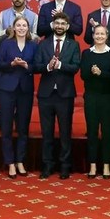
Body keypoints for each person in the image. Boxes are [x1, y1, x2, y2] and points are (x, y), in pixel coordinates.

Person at [33, 12, 80, 179]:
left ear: (67, 26)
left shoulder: (73, 45)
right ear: (53, 25)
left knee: (65, 133)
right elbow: (36, 66)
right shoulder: (43, 44)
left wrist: (60, 65)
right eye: (57, 23)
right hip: (46, 95)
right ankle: (47, 165)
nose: (59, 26)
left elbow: (75, 67)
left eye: (63, 24)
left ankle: (65, 166)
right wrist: (47, 67)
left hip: (65, 95)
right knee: (47, 133)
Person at [0, 17, 37, 179]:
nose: (21, 28)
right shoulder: (6, 44)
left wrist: (27, 66)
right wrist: (11, 64)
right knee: (6, 127)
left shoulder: (33, 45)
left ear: (28, 28)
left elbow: (37, 66)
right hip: (6, 89)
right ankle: (10, 162)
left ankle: (20, 161)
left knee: (23, 127)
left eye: (24, 25)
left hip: (25, 90)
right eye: (18, 25)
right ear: (13, 28)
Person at [80, 25, 110, 179]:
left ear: (107, 36)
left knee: (107, 132)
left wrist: (100, 73)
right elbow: (83, 75)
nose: (99, 36)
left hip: (108, 97)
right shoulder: (86, 53)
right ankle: (93, 165)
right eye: (97, 34)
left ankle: (106, 165)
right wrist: (92, 72)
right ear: (93, 36)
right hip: (91, 97)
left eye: (102, 34)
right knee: (92, 132)